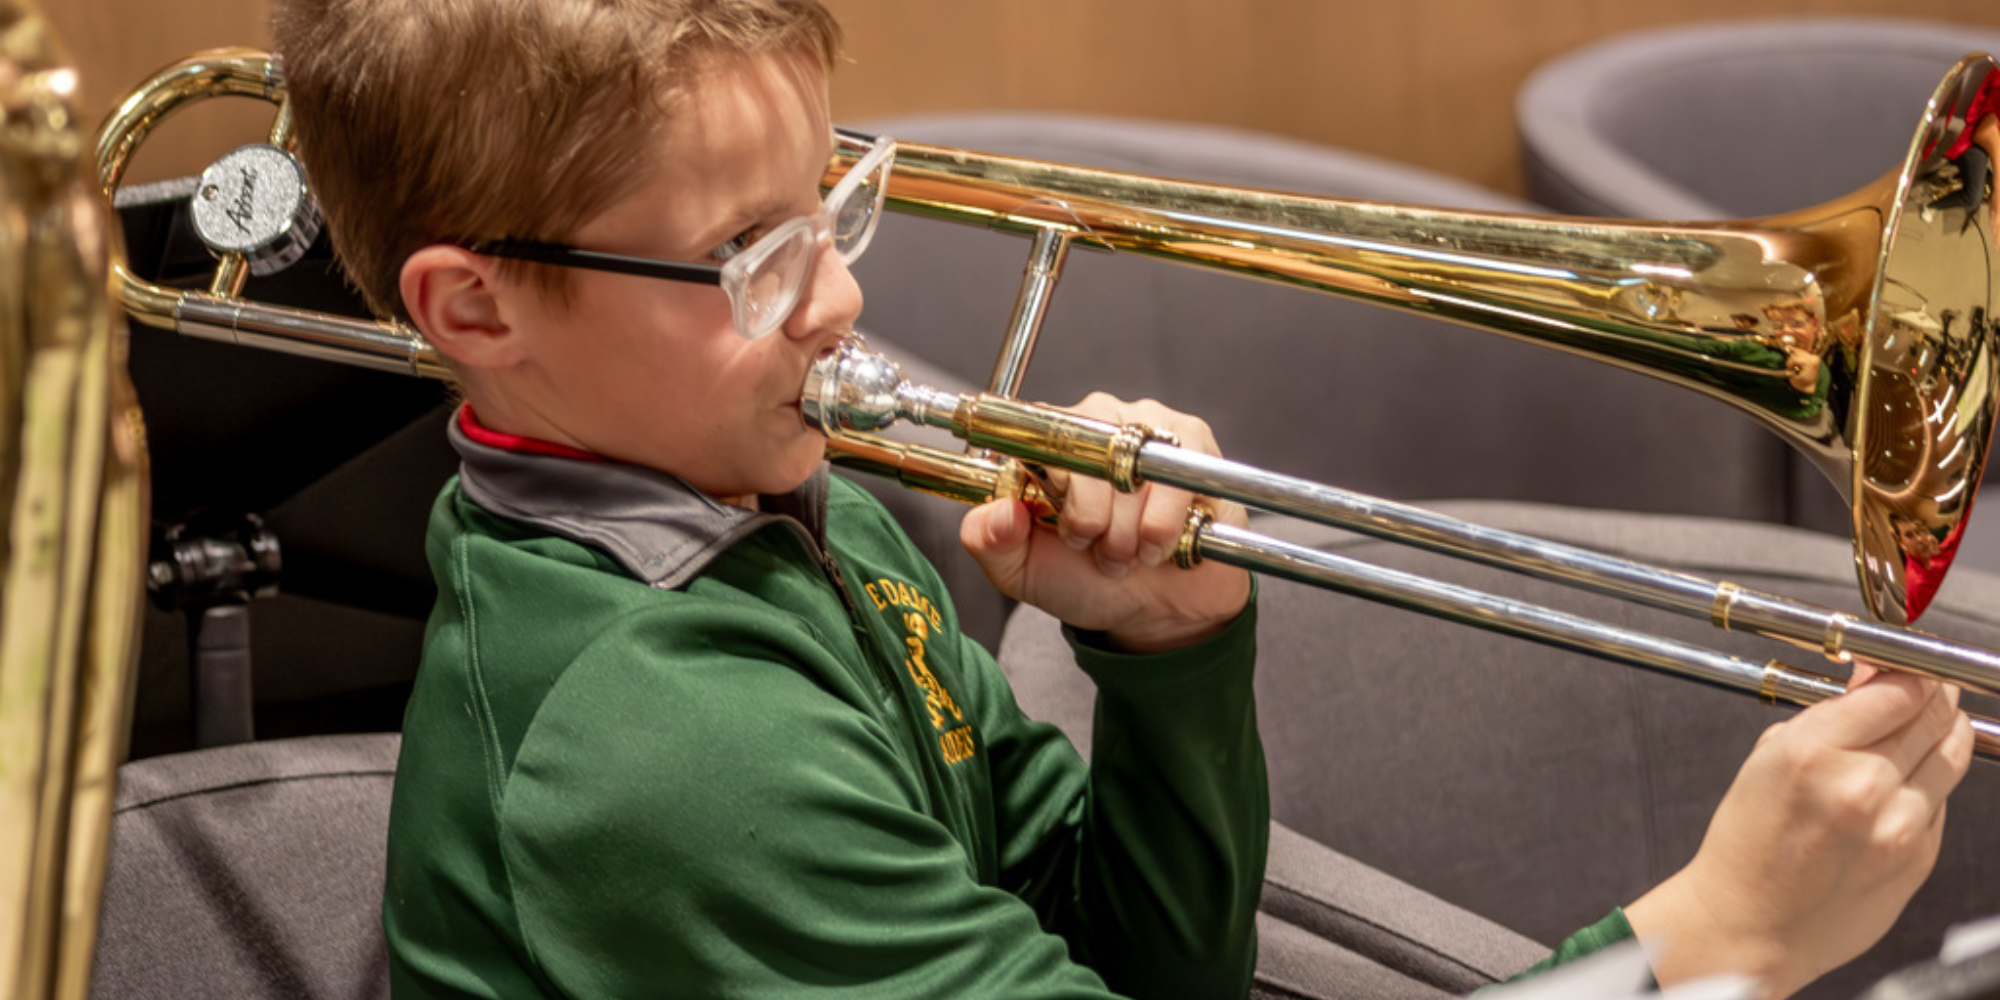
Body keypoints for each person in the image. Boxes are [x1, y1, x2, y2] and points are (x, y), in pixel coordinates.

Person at [268, 1, 1977, 997]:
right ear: (473, 310)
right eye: (746, 256)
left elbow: (1144, 966)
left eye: (832, 206)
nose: (842, 298)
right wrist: (1711, 940)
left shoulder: (763, 504)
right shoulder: (660, 754)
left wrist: (1167, 660)